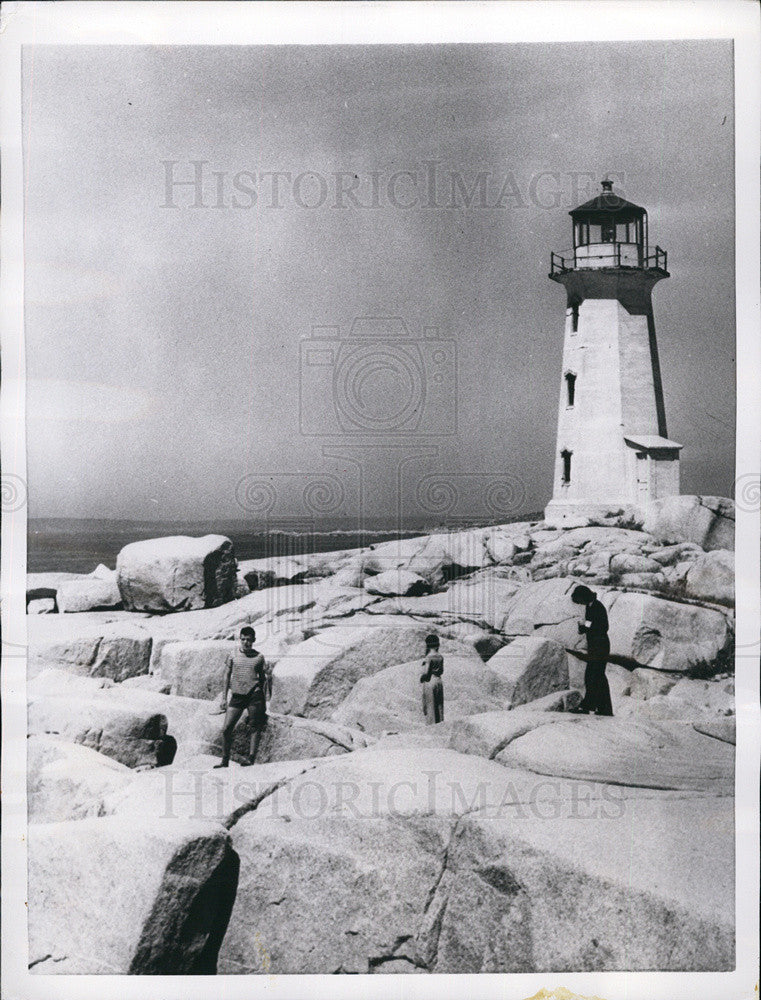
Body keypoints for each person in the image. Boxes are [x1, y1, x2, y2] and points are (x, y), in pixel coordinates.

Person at [213, 626, 268, 767]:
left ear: (254, 640)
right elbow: (226, 675)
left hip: (254, 694)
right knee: (226, 729)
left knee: (254, 727)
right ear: (240, 639)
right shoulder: (232, 655)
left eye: (249, 640)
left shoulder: (259, 657)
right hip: (237, 694)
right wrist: (224, 698)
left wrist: (264, 700)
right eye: (243, 639)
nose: (245, 642)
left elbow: (263, 678)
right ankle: (224, 760)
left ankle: (251, 759)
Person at [569, 584, 613, 716]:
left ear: (584, 596)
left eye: (579, 600)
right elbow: (591, 624)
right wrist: (583, 627)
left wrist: (587, 626)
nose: (580, 603)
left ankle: (587, 707)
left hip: (600, 645)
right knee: (598, 677)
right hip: (596, 645)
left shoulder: (597, 606)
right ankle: (604, 709)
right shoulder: (590, 606)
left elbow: (603, 626)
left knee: (592, 676)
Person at [419, 633, 444, 725]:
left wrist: (422, 678)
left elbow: (426, 672)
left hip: (430, 681)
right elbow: (441, 671)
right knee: (439, 705)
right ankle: (440, 724)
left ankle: (431, 725)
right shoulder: (440, 656)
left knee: (430, 706)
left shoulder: (429, 657)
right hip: (439, 680)